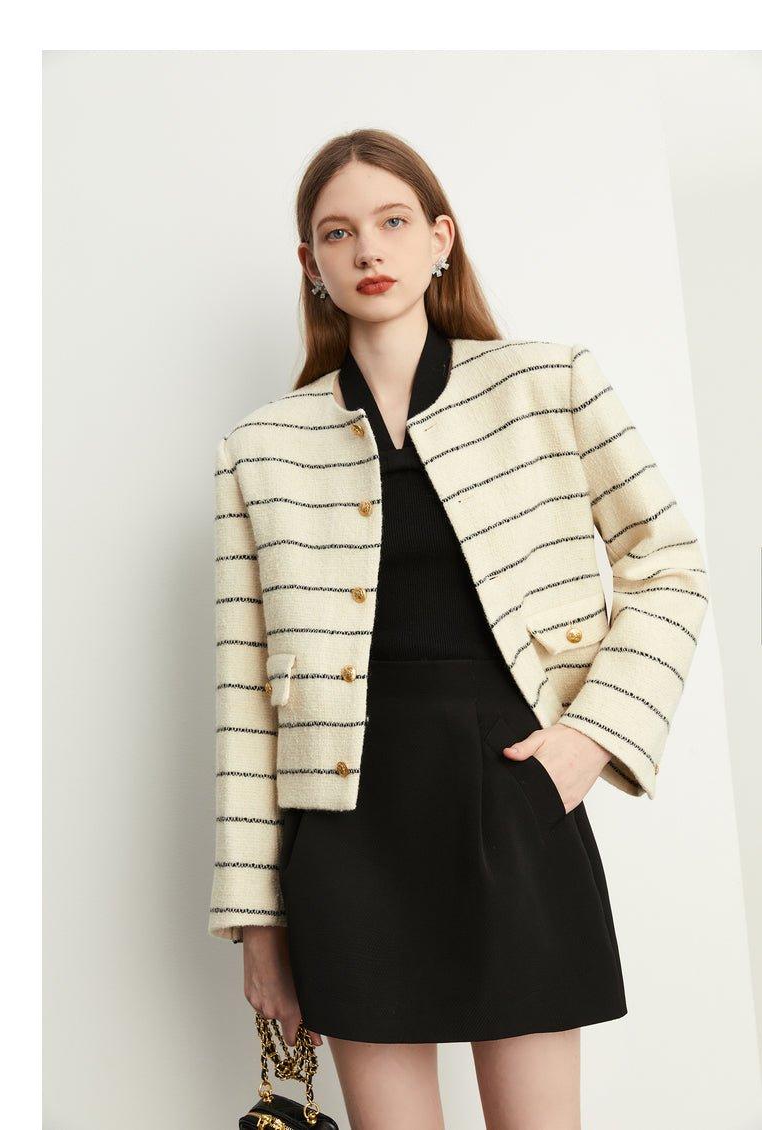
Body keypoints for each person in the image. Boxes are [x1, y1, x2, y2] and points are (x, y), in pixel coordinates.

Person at [209, 128, 709, 1129]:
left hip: (511, 791)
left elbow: (670, 564)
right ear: (310, 263)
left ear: (440, 239)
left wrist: (589, 739)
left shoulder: (550, 383)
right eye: (338, 233)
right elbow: (243, 695)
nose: (367, 249)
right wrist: (258, 920)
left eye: (393, 221)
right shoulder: (260, 448)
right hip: (344, 831)